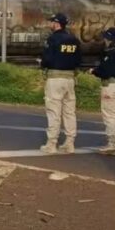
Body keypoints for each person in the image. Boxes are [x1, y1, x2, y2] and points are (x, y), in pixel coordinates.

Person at [40, 13, 82, 154]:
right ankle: (70, 143)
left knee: (54, 111)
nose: (50, 24)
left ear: (57, 24)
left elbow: (46, 59)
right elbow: (78, 61)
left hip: (55, 78)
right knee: (69, 112)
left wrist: (42, 63)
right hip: (70, 79)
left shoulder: (52, 39)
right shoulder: (74, 40)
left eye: (51, 22)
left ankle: (51, 144)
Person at [89, 27, 115, 155]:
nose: (104, 40)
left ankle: (112, 144)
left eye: (106, 37)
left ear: (110, 38)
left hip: (110, 86)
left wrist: (94, 71)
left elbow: (104, 70)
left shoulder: (110, 51)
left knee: (110, 116)